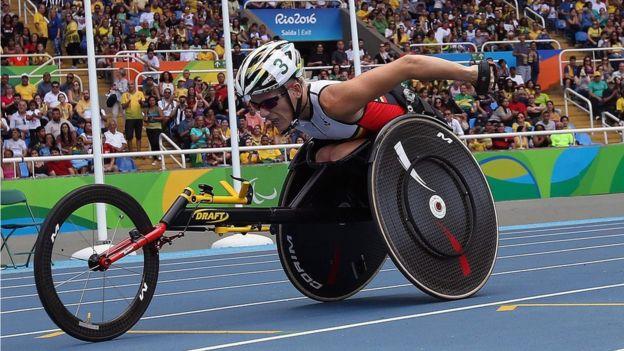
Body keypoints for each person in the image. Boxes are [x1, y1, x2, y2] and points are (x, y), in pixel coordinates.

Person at [234, 40, 493, 163]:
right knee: (321, 156)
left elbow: (408, 64)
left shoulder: (333, 101)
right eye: (255, 106)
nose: (262, 113)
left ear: (294, 88)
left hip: (417, 124)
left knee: (332, 156)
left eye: (267, 104)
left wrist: (473, 74)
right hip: (378, 138)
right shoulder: (296, 111)